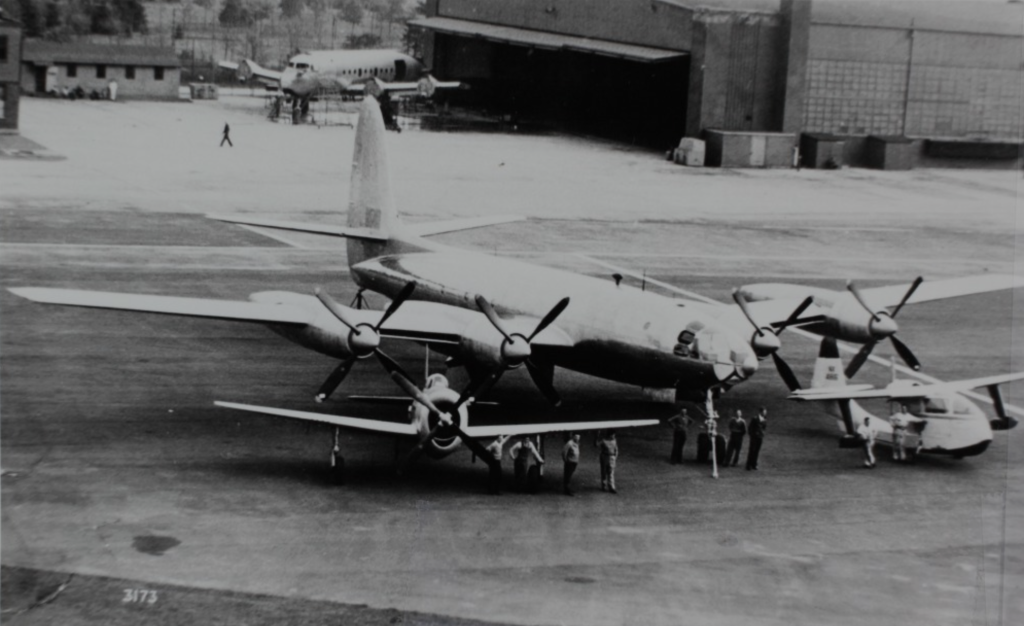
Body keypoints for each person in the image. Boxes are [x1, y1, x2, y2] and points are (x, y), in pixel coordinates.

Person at [746, 406, 767, 471]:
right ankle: (748, 465)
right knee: (752, 451)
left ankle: (754, 464)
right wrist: (751, 435)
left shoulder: (764, 420)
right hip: (754, 437)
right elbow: (750, 427)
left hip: (760, 437)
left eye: (765, 412)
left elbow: (764, 428)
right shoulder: (755, 419)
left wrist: (762, 434)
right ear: (761, 412)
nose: (765, 413)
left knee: (757, 451)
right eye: (764, 412)